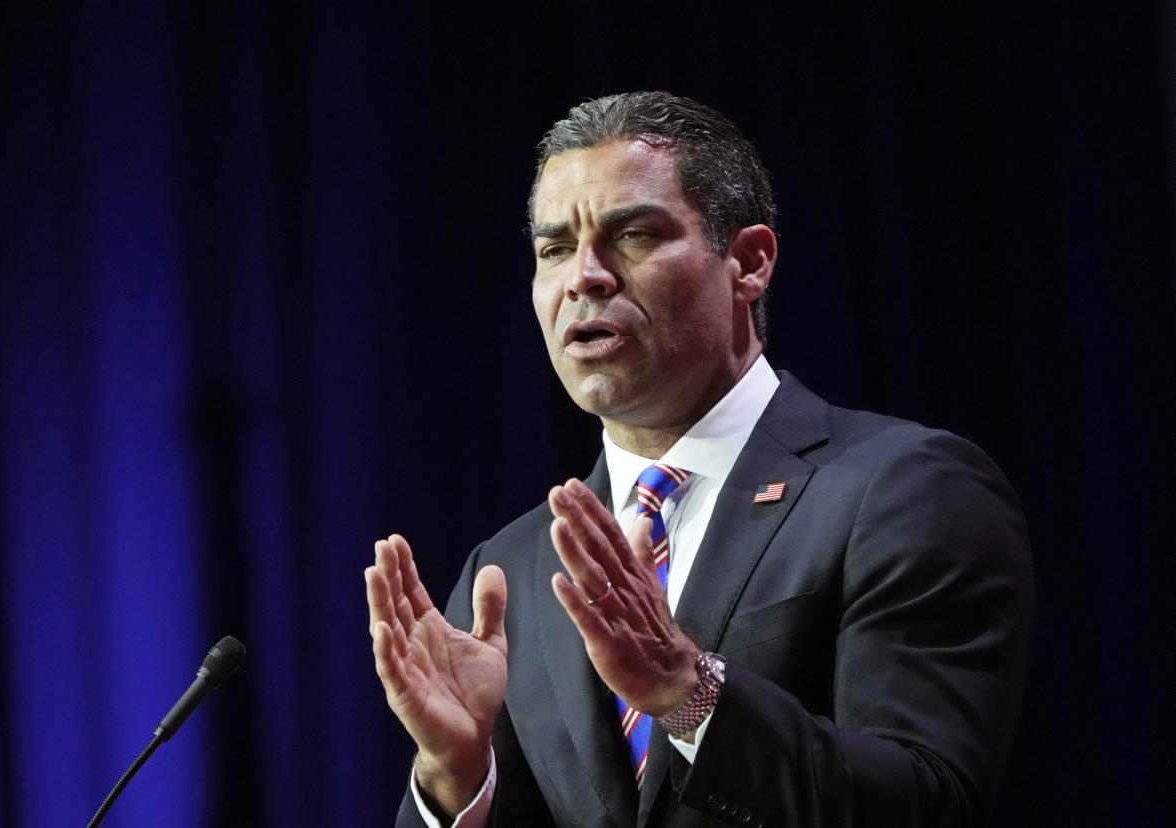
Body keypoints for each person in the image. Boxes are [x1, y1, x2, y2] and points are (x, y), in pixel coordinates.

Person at [365, 91, 1034, 828]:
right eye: (554, 249)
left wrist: (692, 694)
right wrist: (454, 782)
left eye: (634, 235)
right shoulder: (512, 572)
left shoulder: (905, 489)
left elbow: (926, 802)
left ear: (748, 262)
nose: (585, 276)